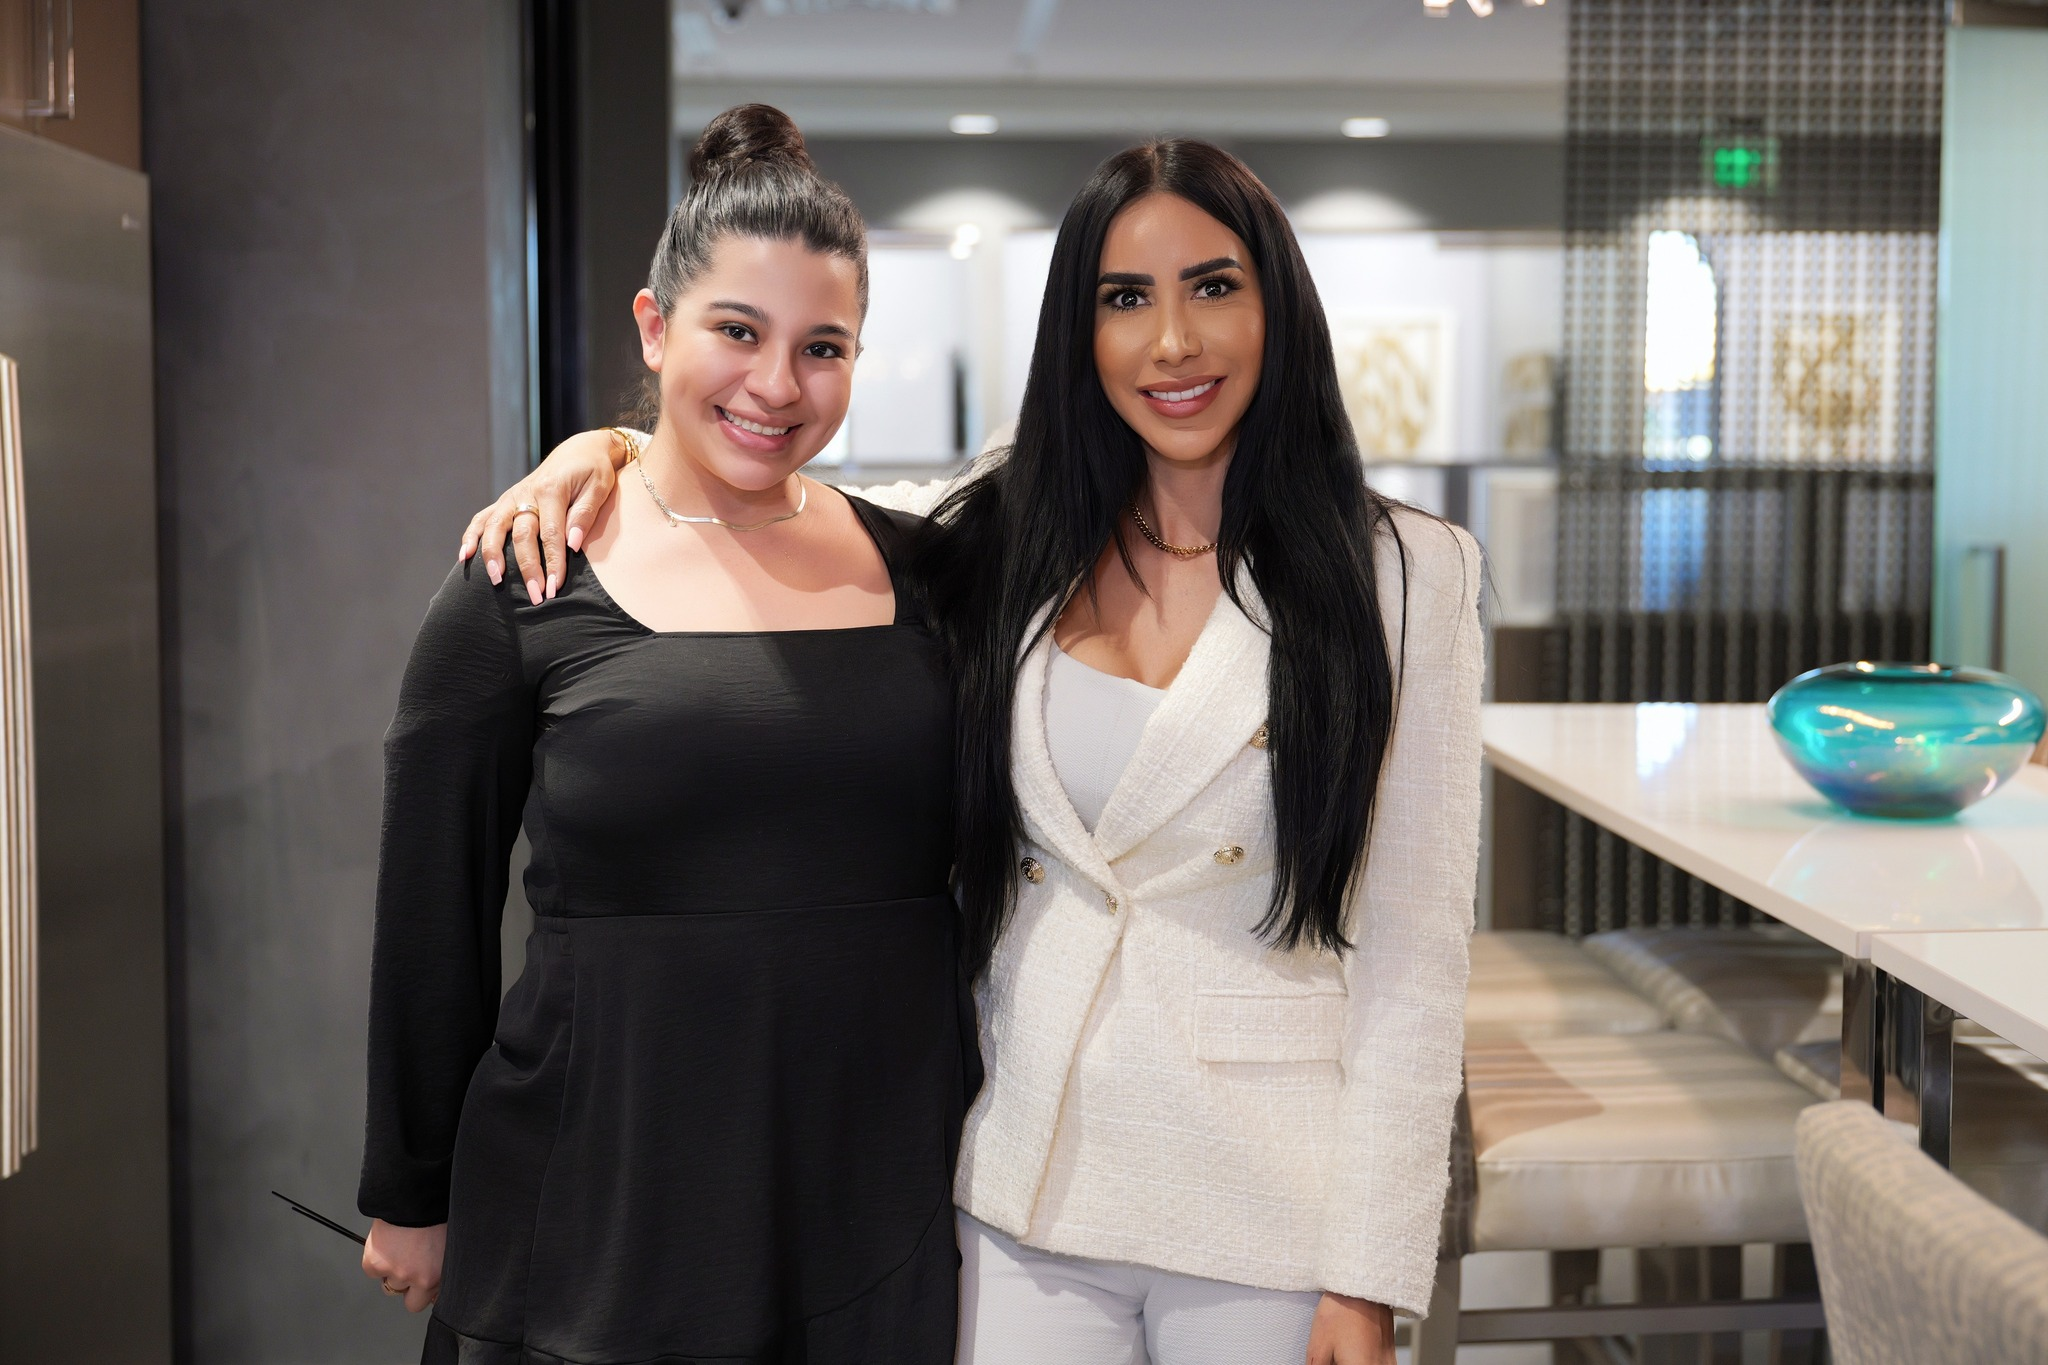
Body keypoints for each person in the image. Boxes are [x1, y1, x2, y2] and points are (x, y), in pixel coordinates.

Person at [463, 138, 1481, 1365]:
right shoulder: (1007, 534)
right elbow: (756, 465)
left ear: (1278, 306)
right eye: (1124, 299)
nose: (1171, 342)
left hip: (1264, 1206)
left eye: (1213, 287)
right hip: (1023, 1185)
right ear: (1078, 332)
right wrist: (608, 453)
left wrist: (1366, 1279)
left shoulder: (1402, 575)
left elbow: (1416, 965)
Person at [356, 105, 978, 1365]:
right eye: (735, 332)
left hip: (877, 1192)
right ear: (654, 325)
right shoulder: (526, 578)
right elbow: (432, 907)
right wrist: (410, 1188)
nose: (775, 386)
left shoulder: (934, 574)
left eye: (824, 348)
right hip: (601, 1190)